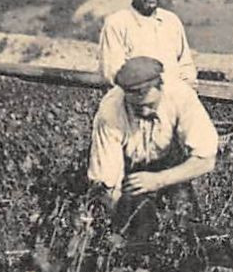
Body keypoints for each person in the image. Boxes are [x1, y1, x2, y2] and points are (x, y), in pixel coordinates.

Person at [86, 56, 219, 237]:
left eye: (150, 105)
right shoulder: (110, 112)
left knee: (188, 229)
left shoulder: (181, 96)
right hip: (129, 171)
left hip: (171, 167)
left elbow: (206, 159)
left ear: (160, 87)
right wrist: (117, 222)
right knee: (135, 229)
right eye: (137, 107)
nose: (145, 112)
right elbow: (107, 183)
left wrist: (159, 180)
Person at [98, 0, 198, 87]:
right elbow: (112, 74)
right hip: (134, 102)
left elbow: (186, 66)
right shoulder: (117, 23)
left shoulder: (171, 21)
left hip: (172, 100)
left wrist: (180, 93)